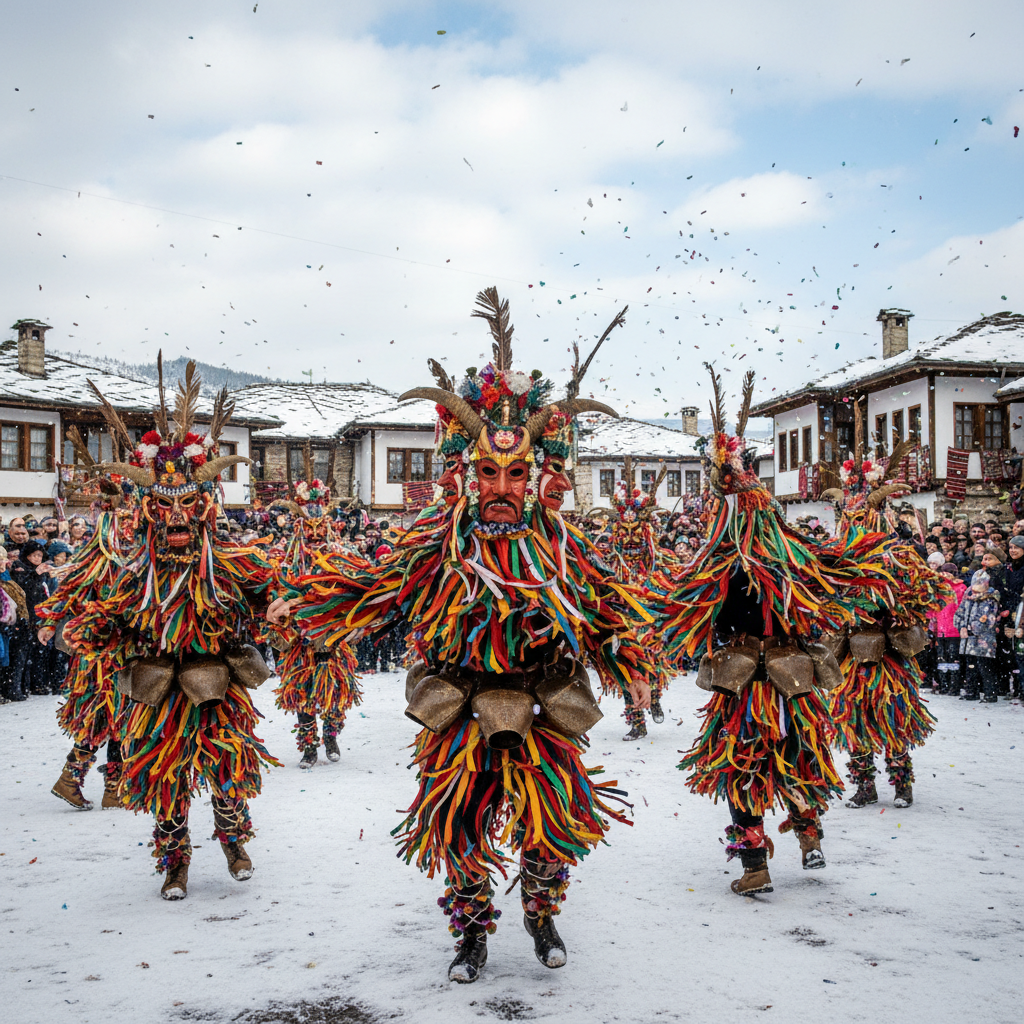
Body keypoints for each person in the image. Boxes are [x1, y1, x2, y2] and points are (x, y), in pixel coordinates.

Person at [268, 289, 654, 983]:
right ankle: (471, 934)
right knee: (461, 833)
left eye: (516, 473)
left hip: (543, 709)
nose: (502, 487)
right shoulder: (436, 549)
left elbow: (605, 615)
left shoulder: (563, 550)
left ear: (540, 478)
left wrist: (629, 662)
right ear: (466, 476)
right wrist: (302, 603)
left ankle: (539, 911)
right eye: (488, 472)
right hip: (458, 712)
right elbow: (371, 591)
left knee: (550, 827)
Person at [39, 360, 280, 900]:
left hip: (219, 688)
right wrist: (82, 631)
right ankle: (175, 863)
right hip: (158, 693)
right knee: (166, 780)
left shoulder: (231, 565)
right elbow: (110, 616)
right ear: (146, 511)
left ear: (205, 507)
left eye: (187, 504)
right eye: (163, 506)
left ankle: (234, 844)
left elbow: (270, 590)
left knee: (226, 770)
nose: (175, 518)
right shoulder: (133, 573)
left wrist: (281, 607)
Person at [667, 367, 863, 896]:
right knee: (799, 755)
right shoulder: (797, 559)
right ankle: (809, 838)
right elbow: (825, 603)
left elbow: (698, 616)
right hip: (792, 679)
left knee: (742, 767)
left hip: (744, 683)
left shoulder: (721, 565)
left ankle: (755, 865)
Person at [263, 474, 362, 769]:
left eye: (320, 529)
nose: (316, 536)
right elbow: (276, 601)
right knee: (303, 698)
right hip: (301, 646)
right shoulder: (288, 564)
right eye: (309, 529)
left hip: (332, 643)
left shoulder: (341, 561)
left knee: (334, 697)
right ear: (300, 530)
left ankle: (330, 738)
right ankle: (308, 747)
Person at [955, 570, 1001, 702]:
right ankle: (971, 691)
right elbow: (959, 614)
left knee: (985, 667)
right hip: (968, 640)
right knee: (971, 666)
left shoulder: (991, 599)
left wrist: (971, 629)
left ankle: (990, 694)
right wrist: (961, 627)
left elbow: (989, 620)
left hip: (984, 640)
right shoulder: (968, 598)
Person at [934, 563, 967, 695]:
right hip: (940, 629)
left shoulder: (961, 588)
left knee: (954, 658)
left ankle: (954, 686)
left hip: (954, 629)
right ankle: (944, 685)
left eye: (949, 572)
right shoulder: (938, 588)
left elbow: (962, 608)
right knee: (941, 658)